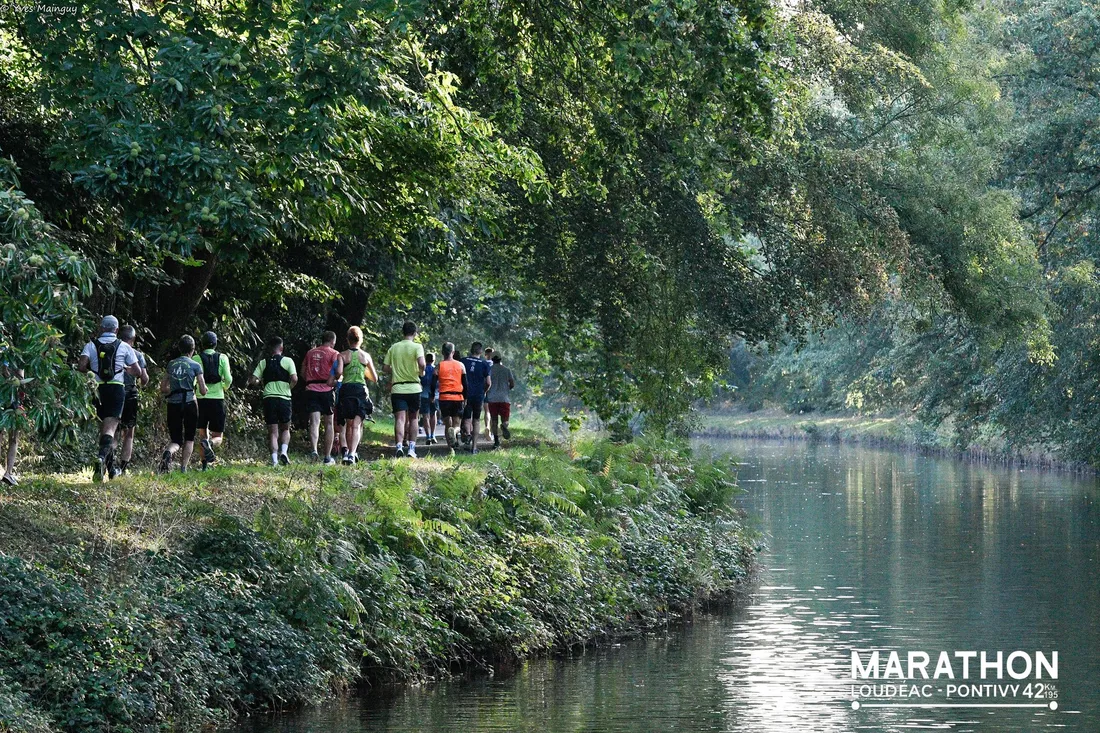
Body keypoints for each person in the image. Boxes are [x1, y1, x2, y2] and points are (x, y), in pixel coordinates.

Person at [78, 315, 143, 482]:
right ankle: (101, 458)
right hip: (116, 389)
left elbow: (81, 366)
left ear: (101, 328)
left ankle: (110, 470)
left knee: (104, 429)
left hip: (97, 389)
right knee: (110, 430)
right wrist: (125, 369)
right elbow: (138, 372)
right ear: (116, 330)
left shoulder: (91, 345)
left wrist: (93, 372)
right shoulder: (124, 346)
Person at [159, 335, 207, 472]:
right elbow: (203, 391)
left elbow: (163, 388)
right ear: (193, 349)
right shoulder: (196, 365)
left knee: (176, 440)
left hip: (173, 404)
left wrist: (173, 390)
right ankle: (183, 468)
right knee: (189, 438)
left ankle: (168, 453)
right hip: (190, 404)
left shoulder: (171, 364)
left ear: (179, 348)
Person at [248, 336, 297, 466]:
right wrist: (289, 387)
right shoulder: (288, 361)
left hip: (269, 398)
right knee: (285, 428)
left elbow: (253, 380)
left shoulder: (264, 362)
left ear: (270, 348)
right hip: (284, 398)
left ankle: (274, 460)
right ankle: (284, 452)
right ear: (281, 348)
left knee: (273, 432)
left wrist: (259, 382)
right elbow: (294, 378)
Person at [383, 321, 426, 458]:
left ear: (403, 332)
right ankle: (412, 449)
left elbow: (385, 368)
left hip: (398, 388)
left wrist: (396, 370)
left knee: (400, 419)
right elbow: (422, 364)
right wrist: (421, 372)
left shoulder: (394, 347)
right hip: (414, 388)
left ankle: (399, 446)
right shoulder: (417, 347)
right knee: (413, 419)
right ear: (415, 333)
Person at [337, 326, 377, 465]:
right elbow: (375, 378)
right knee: (356, 425)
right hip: (360, 391)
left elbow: (339, 373)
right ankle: (352, 454)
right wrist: (363, 372)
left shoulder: (342, 355)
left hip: (347, 390)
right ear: (360, 340)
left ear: (348, 340)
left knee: (348, 424)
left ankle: (347, 452)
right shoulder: (365, 356)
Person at [302, 331, 341, 463]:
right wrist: (336, 382)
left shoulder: (310, 353)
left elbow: (303, 372)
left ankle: (314, 450)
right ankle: (327, 456)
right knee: (329, 423)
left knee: (314, 422)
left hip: (311, 389)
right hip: (327, 390)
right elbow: (338, 372)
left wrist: (310, 381)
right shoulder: (334, 353)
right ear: (333, 341)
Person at [196, 331, 232, 470]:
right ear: (216, 344)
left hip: (201, 399)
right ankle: (211, 443)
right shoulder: (222, 357)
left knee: (202, 433)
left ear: (202, 344)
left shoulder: (196, 358)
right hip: (217, 399)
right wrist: (223, 387)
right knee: (218, 436)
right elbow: (228, 379)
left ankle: (204, 466)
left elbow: (194, 380)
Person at [117, 325, 149, 475]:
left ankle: (108, 463)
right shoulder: (137, 354)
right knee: (129, 433)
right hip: (130, 393)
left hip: (113, 391)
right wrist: (142, 384)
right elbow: (144, 378)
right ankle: (123, 468)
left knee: (113, 429)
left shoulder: (114, 351)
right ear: (133, 339)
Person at [433, 342, 467, 455]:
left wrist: (432, 395)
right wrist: (465, 397)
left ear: (442, 352)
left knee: (448, 424)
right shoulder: (461, 365)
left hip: (444, 398)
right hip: (457, 397)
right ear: (453, 352)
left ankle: (450, 450)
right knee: (457, 424)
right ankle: (455, 431)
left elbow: (433, 383)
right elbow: (465, 384)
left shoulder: (439, 366)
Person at [459, 342, 492, 454]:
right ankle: (474, 447)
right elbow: (488, 382)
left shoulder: (463, 361)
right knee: (476, 420)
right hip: (478, 395)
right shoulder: (484, 364)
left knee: (467, 417)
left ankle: (468, 435)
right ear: (481, 351)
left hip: (465, 394)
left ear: (471, 350)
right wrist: (484, 392)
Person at [1, 360, 25, 486]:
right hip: (10, 396)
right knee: (14, 437)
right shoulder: (14, 355)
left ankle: (8, 473)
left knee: (8, 435)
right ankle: (8, 472)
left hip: (10, 396)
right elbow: (19, 378)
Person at [485, 352, 516, 449]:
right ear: (500, 359)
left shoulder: (489, 370)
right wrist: (506, 389)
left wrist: (486, 392)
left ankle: (496, 441)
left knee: (494, 420)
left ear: (492, 359)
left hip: (492, 398)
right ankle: (504, 426)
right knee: (505, 420)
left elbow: (486, 382)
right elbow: (512, 384)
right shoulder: (507, 370)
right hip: (504, 398)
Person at [419, 352, 437, 444]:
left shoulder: (422, 369)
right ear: (434, 360)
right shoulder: (436, 369)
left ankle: (428, 436)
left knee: (425, 415)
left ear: (426, 359)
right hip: (435, 395)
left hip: (423, 394)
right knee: (433, 414)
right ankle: (433, 434)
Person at [482, 347, 494, 436]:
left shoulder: (483, 363)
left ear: (485, 355)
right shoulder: (498, 364)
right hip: (495, 390)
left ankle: (487, 427)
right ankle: (493, 430)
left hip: (485, 388)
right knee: (494, 411)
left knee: (487, 411)